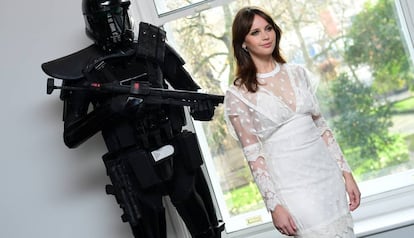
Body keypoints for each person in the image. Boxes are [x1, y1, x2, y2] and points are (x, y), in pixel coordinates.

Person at [41, 0, 224, 237]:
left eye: (118, 13)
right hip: (134, 168)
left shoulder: (153, 50)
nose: (114, 24)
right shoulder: (82, 71)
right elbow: (71, 135)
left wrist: (202, 108)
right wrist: (110, 111)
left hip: (178, 155)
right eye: (106, 17)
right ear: (93, 21)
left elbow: (193, 95)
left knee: (207, 231)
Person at [224, 6, 361, 237]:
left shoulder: (298, 73)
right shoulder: (238, 94)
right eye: (255, 32)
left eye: (268, 28)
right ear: (243, 43)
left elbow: (323, 130)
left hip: (328, 179)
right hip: (293, 189)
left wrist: (346, 174)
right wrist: (274, 205)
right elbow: (253, 157)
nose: (266, 36)